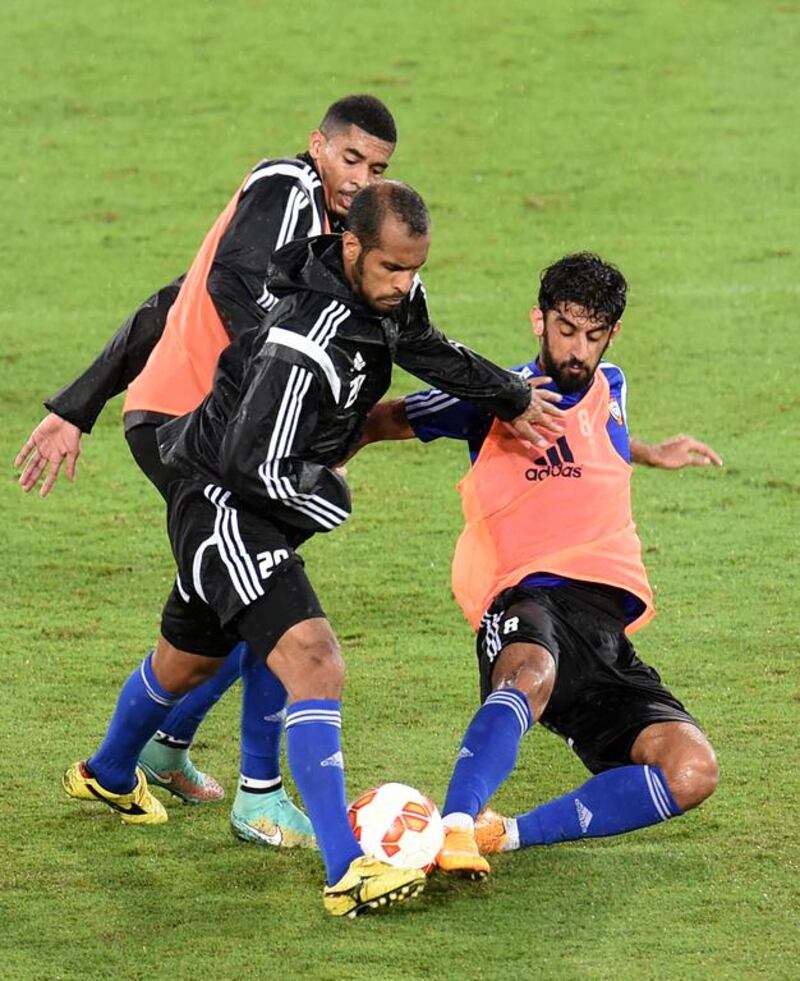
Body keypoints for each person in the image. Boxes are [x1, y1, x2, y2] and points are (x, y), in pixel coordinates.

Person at [61, 180, 566, 916]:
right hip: (225, 501)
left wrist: (509, 394)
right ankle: (347, 867)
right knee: (315, 659)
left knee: (193, 656)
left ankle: (108, 770)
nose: (404, 284)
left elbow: (420, 342)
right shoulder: (306, 337)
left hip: (247, 503)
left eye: (415, 269)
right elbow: (247, 462)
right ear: (352, 247)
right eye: (392, 268)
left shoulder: (382, 296)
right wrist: (331, 494)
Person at [16, 95, 405, 847]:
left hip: (209, 430)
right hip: (189, 429)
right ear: (317, 145)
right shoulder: (287, 191)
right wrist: (78, 405)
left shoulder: (332, 230)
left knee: (223, 608)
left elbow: (176, 298)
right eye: (350, 158)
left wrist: (77, 404)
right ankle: (258, 792)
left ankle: (130, 759)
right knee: (270, 588)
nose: (360, 177)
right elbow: (223, 289)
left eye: (378, 167)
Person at [357, 252, 720, 879]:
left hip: (605, 634)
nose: (578, 350)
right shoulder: (493, 395)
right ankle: (456, 825)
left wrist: (650, 451)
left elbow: (596, 433)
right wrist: (328, 452)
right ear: (538, 320)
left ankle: (507, 835)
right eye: (565, 329)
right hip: (526, 595)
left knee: (692, 770)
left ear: (613, 334)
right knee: (529, 669)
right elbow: (386, 419)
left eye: (593, 335)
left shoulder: (615, 388)